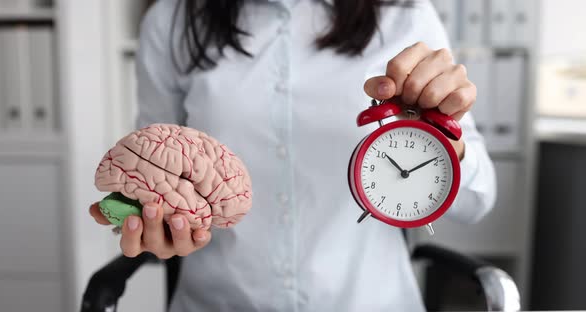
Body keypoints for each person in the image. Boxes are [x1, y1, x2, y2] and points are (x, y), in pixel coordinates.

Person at [90, 0, 496, 310]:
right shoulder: (175, 19)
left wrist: (441, 143)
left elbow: (476, 202)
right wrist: (154, 231)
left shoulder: (404, 15)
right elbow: (150, 171)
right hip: (220, 303)